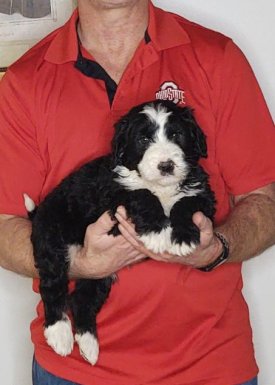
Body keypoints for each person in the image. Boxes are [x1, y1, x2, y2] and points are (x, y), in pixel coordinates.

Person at [0, 0, 274, 384]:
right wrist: (80, 262)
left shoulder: (218, 57)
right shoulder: (25, 80)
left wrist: (218, 247)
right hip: (74, 372)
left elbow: (265, 200)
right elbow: (4, 225)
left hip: (211, 366)